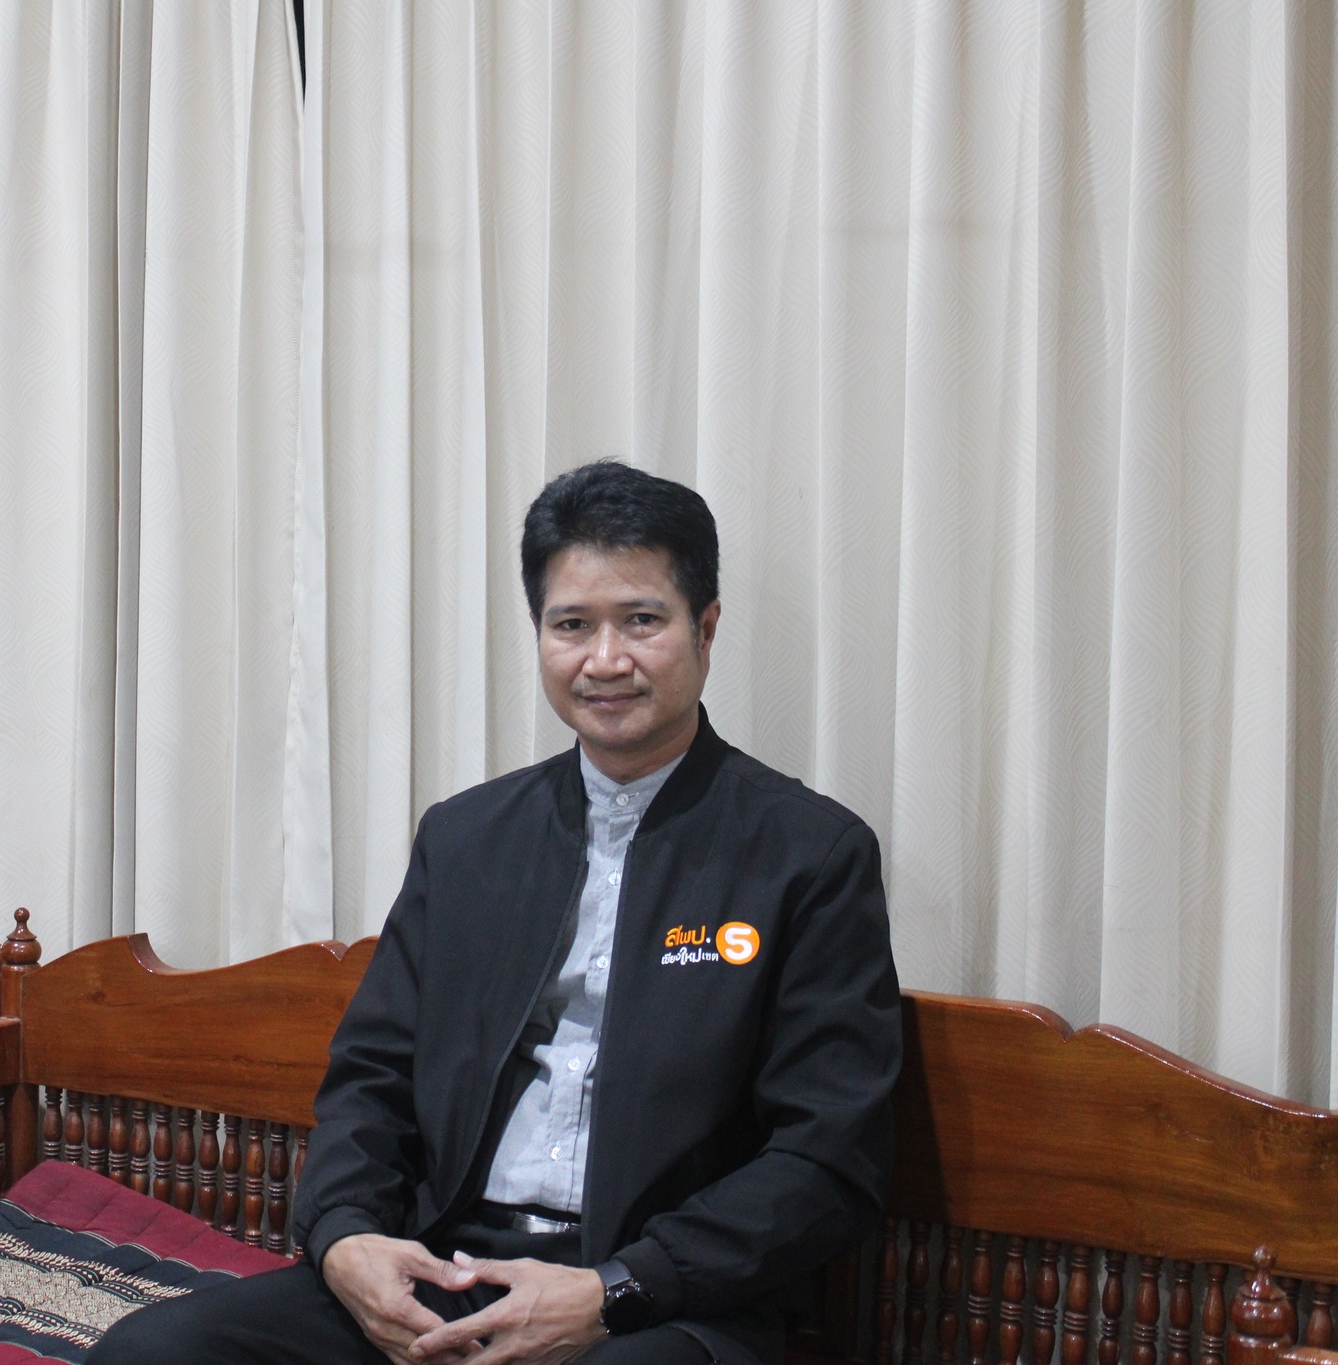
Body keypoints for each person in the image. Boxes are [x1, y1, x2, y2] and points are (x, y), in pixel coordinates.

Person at [91, 461, 899, 1365]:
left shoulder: (808, 855)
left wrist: (616, 1287)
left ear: (705, 628)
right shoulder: (467, 838)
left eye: (642, 620)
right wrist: (347, 1234)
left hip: (659, 1301)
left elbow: (828, 1159)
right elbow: (372, 1077)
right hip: (447, 1264)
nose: (605, 659)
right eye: (572, 624)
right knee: (152, 1352)